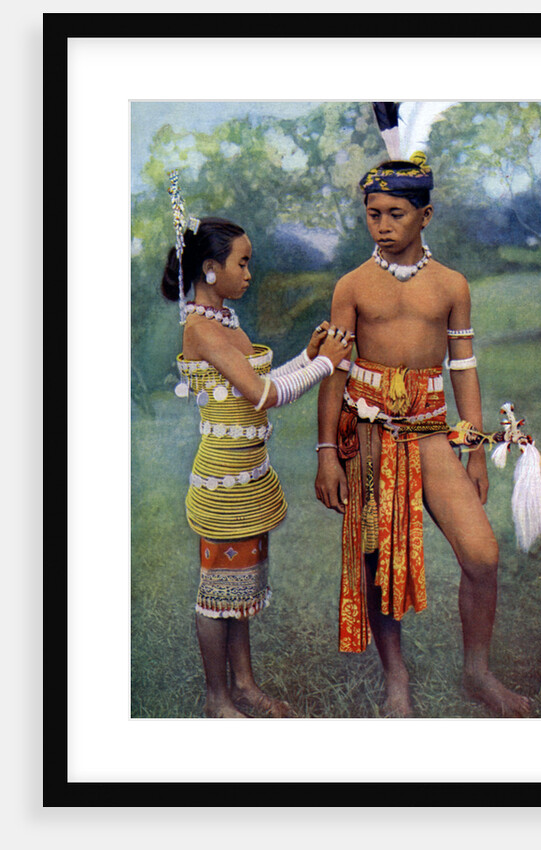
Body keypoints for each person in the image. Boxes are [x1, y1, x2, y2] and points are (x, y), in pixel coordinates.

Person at [315, 155, 531, 718]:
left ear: (425, 215)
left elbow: (463, 367)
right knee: (378, 558)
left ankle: (477, 672)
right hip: (369, 436)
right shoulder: (352, 286)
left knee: (482, 555)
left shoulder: (451, 285)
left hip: (431, 433)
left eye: (396, 214)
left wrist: (475, 451)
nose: (383, 226)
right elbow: (335, 371)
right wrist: (327, 454)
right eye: (373, 214)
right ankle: (397, 678)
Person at [162, 176, 352, 718]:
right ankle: (217, 697)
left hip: (250, 478)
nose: (249, 273)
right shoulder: (200, 328)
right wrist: (326, 364)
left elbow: (261, 382)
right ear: (210, 269)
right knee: (217, 592)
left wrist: (307, 356)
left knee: (241, 587)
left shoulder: (225, 320)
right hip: (224, 482)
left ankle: (244, 686)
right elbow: (264, 396)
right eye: (241, 263)